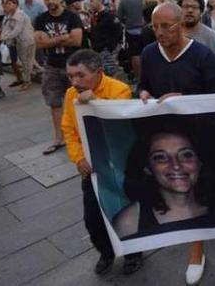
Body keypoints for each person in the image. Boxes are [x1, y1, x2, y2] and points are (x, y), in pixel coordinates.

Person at [137, 2, 215, 286]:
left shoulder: (203, 55)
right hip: (163, 136)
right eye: (155, 27)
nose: (159, 32)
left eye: (166, 26)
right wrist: (144, 93)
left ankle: (196, 251)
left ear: (180, 25)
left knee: (191, 194)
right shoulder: (149, 53)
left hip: (196, 136)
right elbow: (142, 84)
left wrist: (183, 100)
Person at [60, 50, 143, 276]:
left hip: (120, 167)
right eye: (70, 76)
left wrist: (95, 103)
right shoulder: (70, 95)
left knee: (126, 213)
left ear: (98, 73)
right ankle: (106, 252)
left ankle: (133, 253)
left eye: (80, 75)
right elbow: (69, 130)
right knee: (93, 219)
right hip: (92, 170)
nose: (74, 82)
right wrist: (78, 158)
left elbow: (120, 130)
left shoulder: (120, 90)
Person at [34, 0, 83, 155]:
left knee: (79, 101)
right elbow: (39, 44)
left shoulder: (72, 17)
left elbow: (76, 41)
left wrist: (50, 41)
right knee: (54, 103)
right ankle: (59, 138)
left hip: (74, 67)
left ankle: (81, 136)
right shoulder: (41, 19)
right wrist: (61, 38)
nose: (50, 2)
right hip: (52, 66)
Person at [179, 0, 215, 73]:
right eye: (186, 6)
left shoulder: (212, 37)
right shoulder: (172, 35)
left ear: (201, 12)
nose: (190, 10)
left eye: (194, 7)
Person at [0, 0, 36, 90]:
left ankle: (27, 81)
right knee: (22, 61)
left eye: (9, 4)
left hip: (26, 41)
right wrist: (1, 35)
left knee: (26, 62)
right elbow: (6, 28)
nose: (7, 6)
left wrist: (3, 37)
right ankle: (22, 78)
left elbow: (17, 30)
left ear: (15, 5)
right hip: (17, 42)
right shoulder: (9, 15)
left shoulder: (20, 15)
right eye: (6, 4)